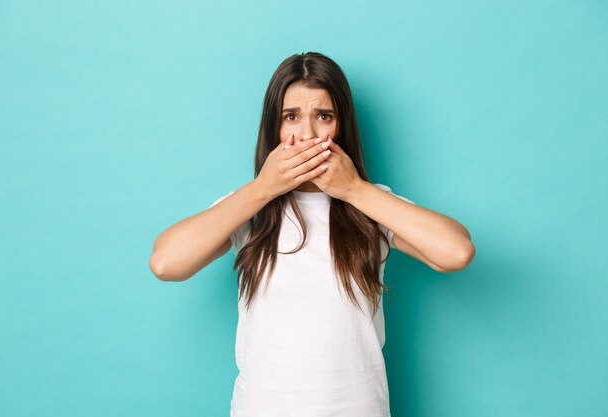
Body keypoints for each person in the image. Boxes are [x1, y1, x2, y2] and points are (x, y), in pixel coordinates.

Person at [149, 52, 475, 417]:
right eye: (291, 117)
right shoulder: (250, 208)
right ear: (274, 129)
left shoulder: (371, 206)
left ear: (342, 126)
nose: (306, 134)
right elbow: (166, 263)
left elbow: (456, 252)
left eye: (324, 116)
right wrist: (263, 188)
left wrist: (353, 189)